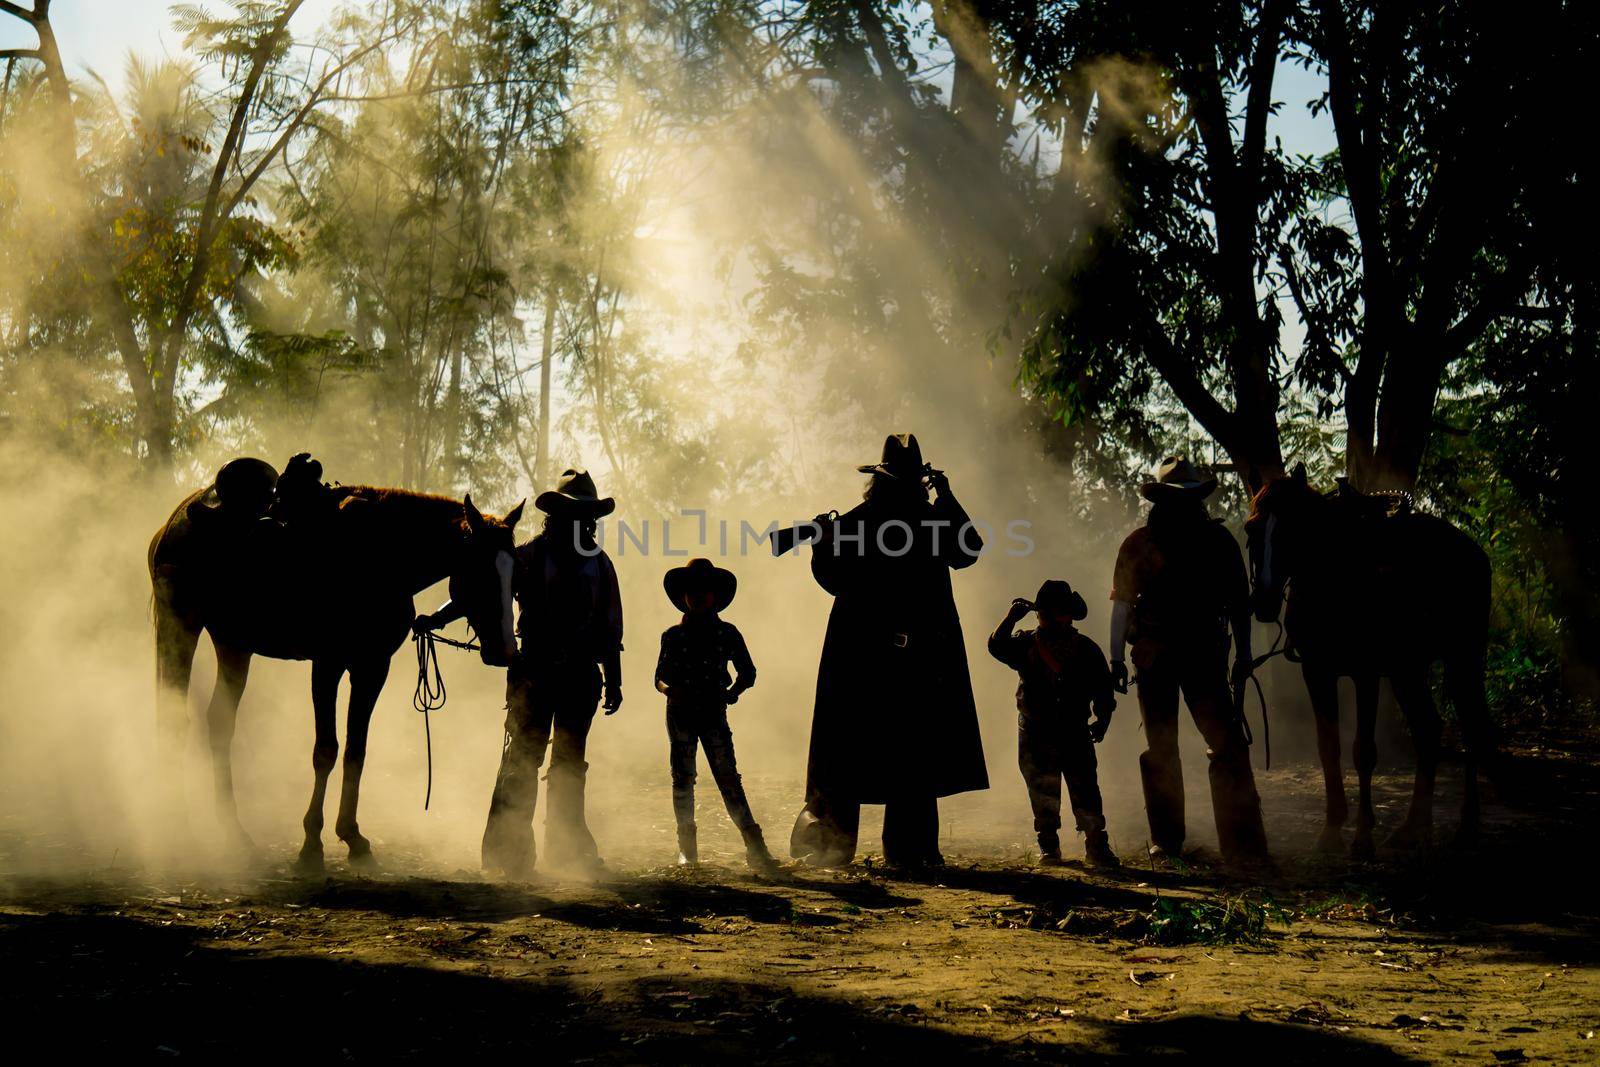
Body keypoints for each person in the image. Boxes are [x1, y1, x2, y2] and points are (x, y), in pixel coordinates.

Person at [791, 433, 988, 869]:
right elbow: (968, 549)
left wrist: (823, 542)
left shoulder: (867, 521)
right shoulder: (920, 521)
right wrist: (947, 498)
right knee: (890, 753)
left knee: (872, 752)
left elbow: (967, 551)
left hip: (868, 657)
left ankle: (855, 850)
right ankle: (883, 852)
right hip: (888, 656)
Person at [419, 468, 623, 877]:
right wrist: (436, 619)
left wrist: (613, 677)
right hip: (534, 673)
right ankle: (508, 854)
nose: (582, 522)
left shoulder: (599, 565)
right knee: (522, 759)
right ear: (557, 517)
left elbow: (609, 626)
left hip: (581, 676)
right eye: (573, 514)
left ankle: (567, 849)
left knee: (569, 762)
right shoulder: (526, 557)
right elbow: (484, 593)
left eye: (587, 516)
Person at [1109, 456, 1269, 866]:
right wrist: (1115, 658)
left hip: (1204, 657)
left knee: (1226, 744)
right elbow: (1122, 606)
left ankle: (1243, 846)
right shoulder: (1139, 545)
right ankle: (1167, 842)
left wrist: (1246, 655)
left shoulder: (1218, 544)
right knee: (1162, 748)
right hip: (1155, 659)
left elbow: (1238, 605)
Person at [654, 557, 781, 875]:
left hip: (711, 711)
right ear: (684, 595)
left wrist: (731, 693)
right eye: (692, 591)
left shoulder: (726, 633)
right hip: (681, 713)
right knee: (684, 779)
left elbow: (748, 673)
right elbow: (659, 677)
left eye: (703, 590)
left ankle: (755, 848)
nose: (697, 596)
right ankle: (689, 851)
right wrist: (671, 691)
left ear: (713, 595)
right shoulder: (673, 636)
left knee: (726, 779)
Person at [988, 579, 1119, 867]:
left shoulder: (1086, 649)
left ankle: (1096, 844)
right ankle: (1049, 845)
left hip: (1073, 729)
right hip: (1036, 729)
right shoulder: (1026, 644)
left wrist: (1103, 719)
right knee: (1042, 788)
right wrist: (1010, 619)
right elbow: (996, 647)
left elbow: (1102, 690)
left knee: (1084, 787)